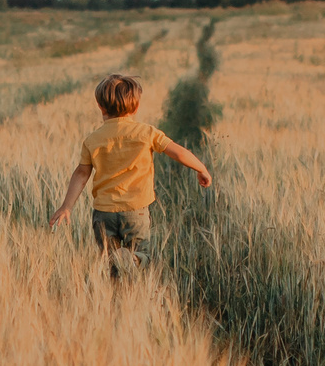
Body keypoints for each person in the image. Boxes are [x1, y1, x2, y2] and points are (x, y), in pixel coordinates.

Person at [46, 71, 210, 274]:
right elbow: (177, 151)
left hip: (103, 213)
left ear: (100, 106)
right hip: (135, 210)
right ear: (137, 106)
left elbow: (81, 174)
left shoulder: (93, 139)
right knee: (142, 255)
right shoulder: (147, 133)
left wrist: (66, 206)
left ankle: (117, 298)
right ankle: (133, 258)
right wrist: (201, 168)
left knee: (110, 262)